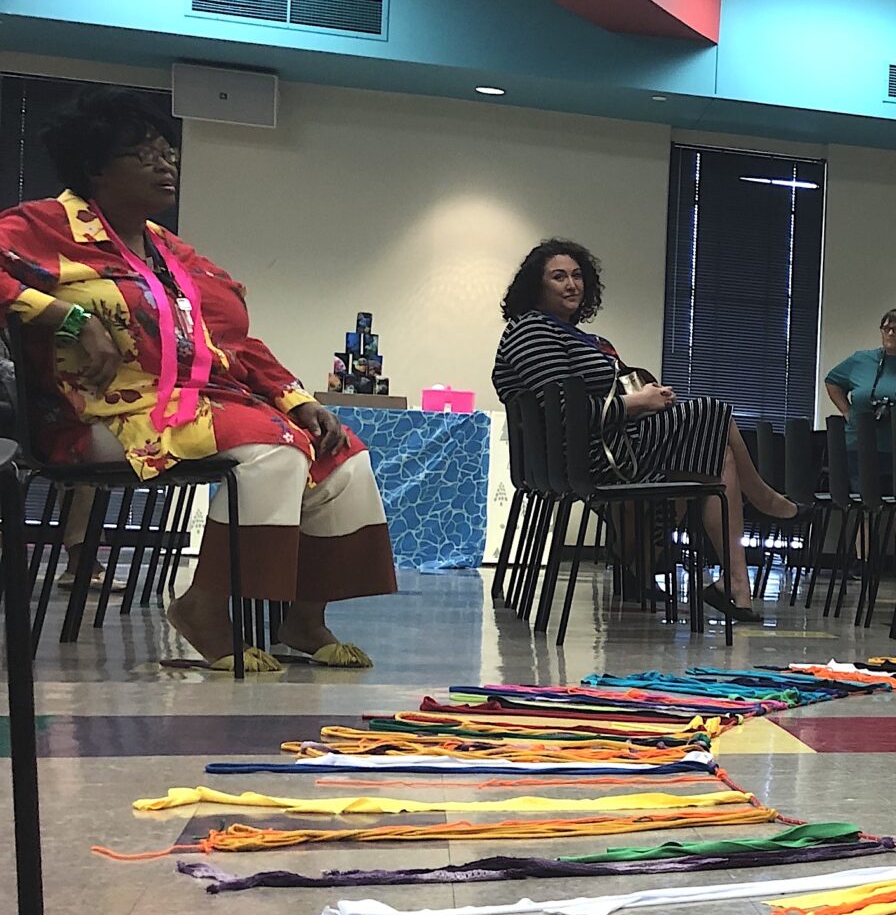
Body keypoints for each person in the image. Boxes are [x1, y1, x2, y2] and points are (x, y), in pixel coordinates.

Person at [0, 88, 394, 672]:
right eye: (145, 154)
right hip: (95, 417)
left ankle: (303, 620)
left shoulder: (172, 251)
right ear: (95, 168)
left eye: (169, 152)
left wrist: (297, 399)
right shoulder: (42, 225)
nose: (167, 164)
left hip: (193, 408)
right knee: (271, 449)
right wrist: (66, 315)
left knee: (342, 454)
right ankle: (203, 609)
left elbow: (235, 342)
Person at [491, 239, 799, 620]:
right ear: (536, 286)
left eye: (576, 275)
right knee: (713, 412)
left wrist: (644, 398)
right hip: (590, 456)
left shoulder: (573, 335)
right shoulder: (533, 331)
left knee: (717, 456)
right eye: (558, 277)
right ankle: (760, 501)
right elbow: (564, 414)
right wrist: (638, 404)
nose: (572, 284)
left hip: (607, 444)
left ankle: (733, 583)